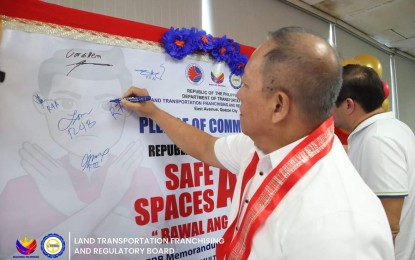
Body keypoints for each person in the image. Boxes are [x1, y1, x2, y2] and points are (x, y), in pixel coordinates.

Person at [122, 27, 394, 260]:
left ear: (278, 105)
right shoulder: (262, 147)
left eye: (246, 85)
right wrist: (153, 112)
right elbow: (206, 147)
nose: (238, 94)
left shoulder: (339, 226)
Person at [0, 47, 167, 259]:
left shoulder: (141, 178)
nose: (88, 118)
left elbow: (152, 250)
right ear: (41, 104)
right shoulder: (19, 190)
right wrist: (106, 201)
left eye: (107, 105)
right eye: (67, 103)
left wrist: (69, 203)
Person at [333, 64, 415, 260]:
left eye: (330, 103)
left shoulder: (377, 140)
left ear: (348, 105)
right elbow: (357, 154)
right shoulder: (391, 129)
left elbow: (389, 223)